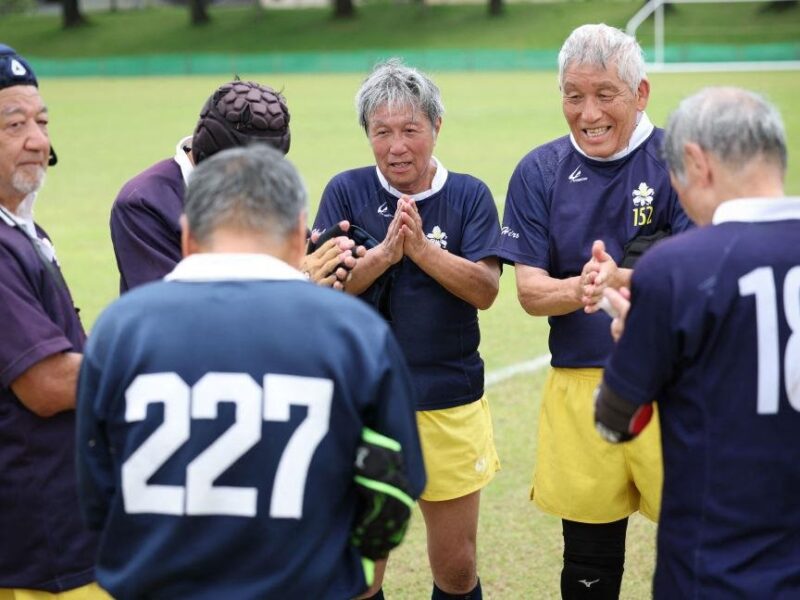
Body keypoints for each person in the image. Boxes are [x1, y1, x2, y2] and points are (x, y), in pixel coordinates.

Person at [76, 145, 426, 599]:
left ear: (187, 238)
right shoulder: (354, 332)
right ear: (301, 236)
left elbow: (95, 493)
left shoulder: (119, 330)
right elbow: (393, 491)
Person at [494, 24, 692, 599]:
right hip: (580, 385)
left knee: (698, 546)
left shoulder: (682, 159)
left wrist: (622, 276)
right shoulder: (538, 171)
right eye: (573, 95)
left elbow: (700, 274)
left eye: (605, 94)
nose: (588, 112)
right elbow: (530, 291)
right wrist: (584, 285)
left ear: (642, 93)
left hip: (675, 386)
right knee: (588, 563)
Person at [595, 87, 800, 598]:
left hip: (717, 569)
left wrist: (632, 340)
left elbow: (614, 421)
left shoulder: (675, 268)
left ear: (695, 162)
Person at [313, 58, 501, 599]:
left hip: (448, 402)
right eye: (382, 132)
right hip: (362, 405)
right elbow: (326, 292)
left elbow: (485, 290)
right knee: (362, 571)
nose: (397, 146)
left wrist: (421, 250)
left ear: (436, 128)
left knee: (457, 568)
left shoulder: (468, 195)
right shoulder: (345, 192)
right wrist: (385, 255)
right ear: (368, 135)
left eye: (410, 130)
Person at [0, 45, 105, 598]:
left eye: (41, 121)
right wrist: (163, 355)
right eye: (14, 124)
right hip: (41, 540)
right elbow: (45, 384)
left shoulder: (24, 232)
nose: (38, 139)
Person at [110, 79, 359, 293]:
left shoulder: (265, 186)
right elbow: (170, 312)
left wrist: (331, 258)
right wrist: (296, 281)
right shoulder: (143, 202)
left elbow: (306, 259)